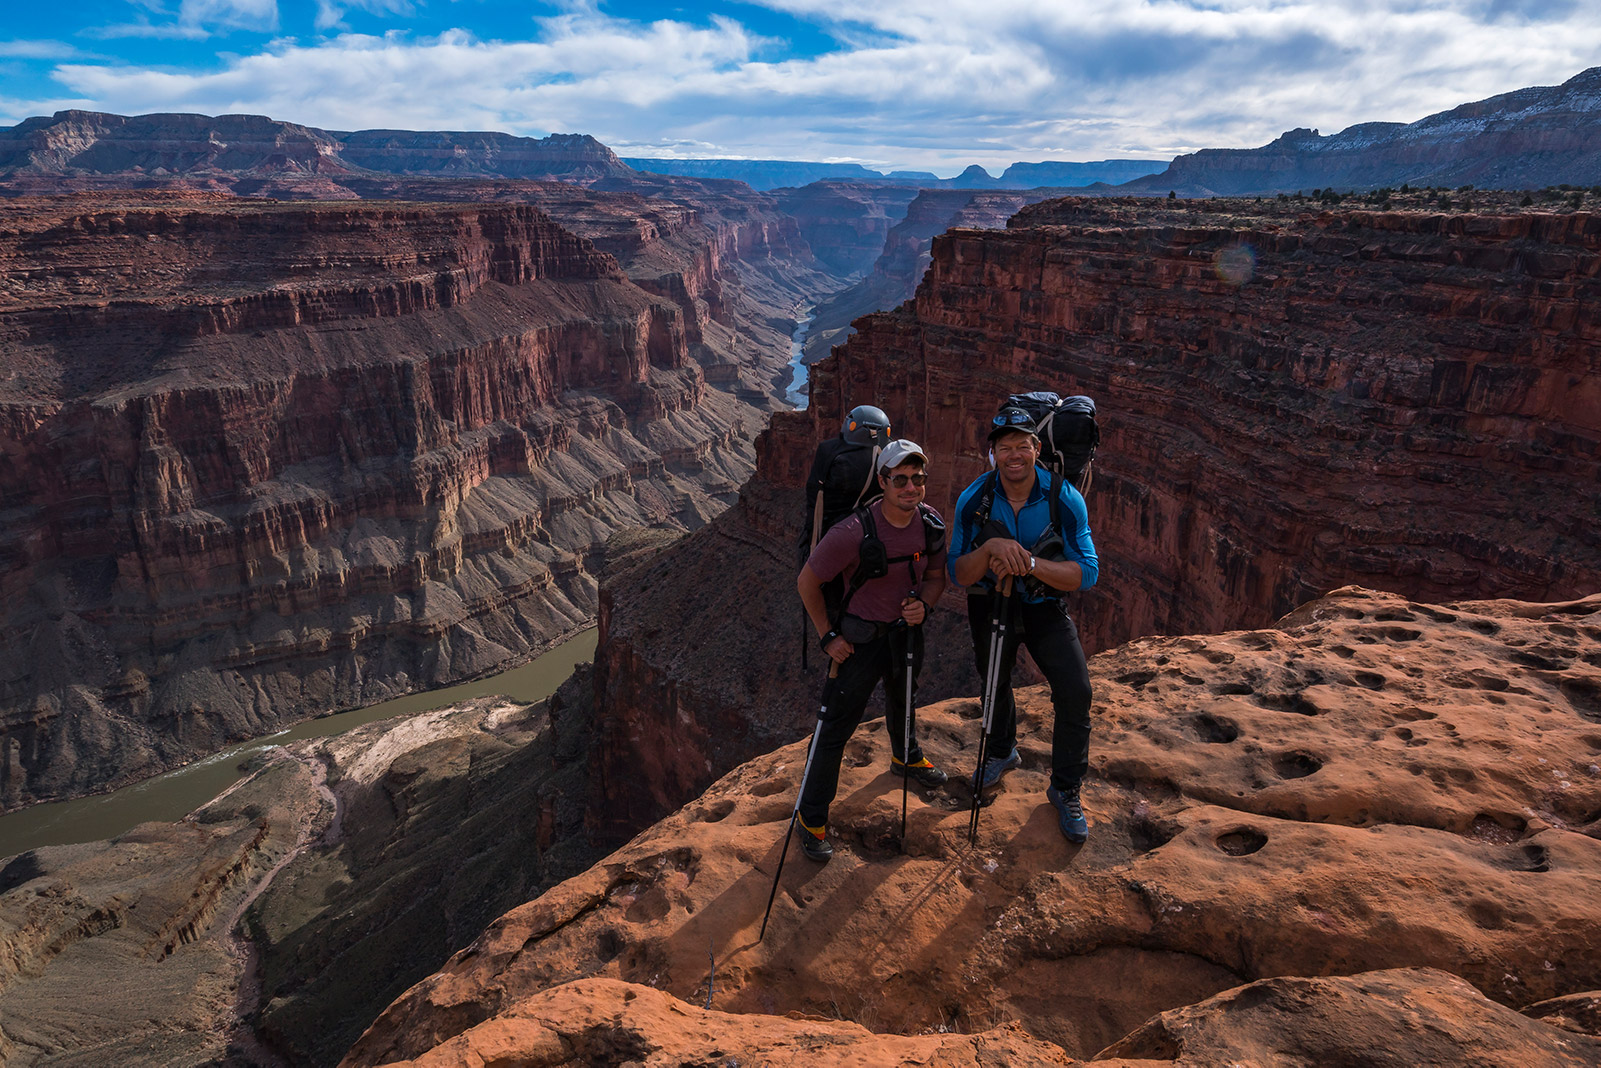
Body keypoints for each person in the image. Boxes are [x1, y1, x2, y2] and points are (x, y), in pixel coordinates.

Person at [948, 406, 1099, 843]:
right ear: (992, 453)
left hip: (1043, 606)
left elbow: (1086, 573)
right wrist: (993, 545)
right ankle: (1000, 752)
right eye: (1004, 447)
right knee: (993, 681)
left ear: (1036, 449)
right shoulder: (974, 499)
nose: (1013, 454)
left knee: (1076, 691)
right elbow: (959, 572)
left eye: (1022, 445)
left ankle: (1066, 788)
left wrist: (1030, 562)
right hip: (991, 604)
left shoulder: (1063, 497)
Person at [794, 439, 949, 861]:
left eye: (917, 479)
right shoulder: (853, 531)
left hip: (905, 635)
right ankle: (811, 819)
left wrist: (926, 605)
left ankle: (907, 757)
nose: (910, 487)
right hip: (859, 645)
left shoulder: (931, 523)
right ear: (883, 481)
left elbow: (937, 577)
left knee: (904, 700)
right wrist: (828, 636)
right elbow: (807, 582)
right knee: (834, 732)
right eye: (900, 479)